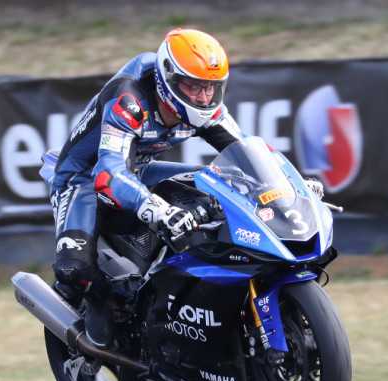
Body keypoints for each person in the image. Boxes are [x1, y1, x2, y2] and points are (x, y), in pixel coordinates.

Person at [49, 28, 322, 350]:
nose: (203, 98)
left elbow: (248, 153)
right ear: (167, 79)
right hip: (82, 176)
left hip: (140, 169)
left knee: (221, 184)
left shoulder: (208, 108)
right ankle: (96, 316)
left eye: (210, 87)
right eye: (193, 86)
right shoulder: (129, 99)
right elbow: (109, 173)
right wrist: (156, 208)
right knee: (74, 268)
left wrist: (289, 185)